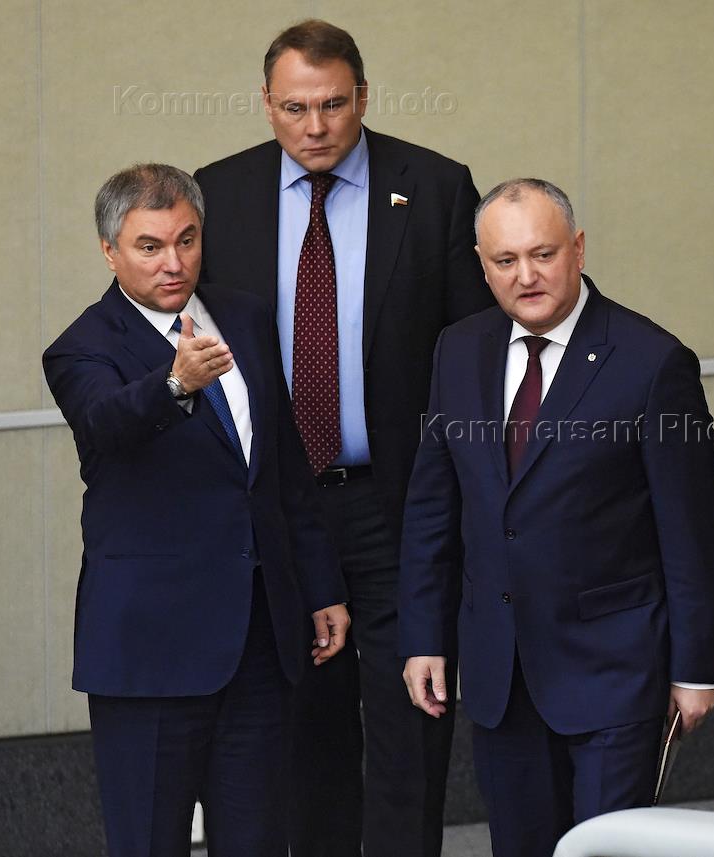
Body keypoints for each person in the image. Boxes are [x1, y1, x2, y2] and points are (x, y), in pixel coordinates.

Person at [193, 19, 494, 857]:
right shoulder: (219, 195)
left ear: (363, 96)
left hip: (400, 504)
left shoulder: (434, 187)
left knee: (411, 721)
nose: (315, 127)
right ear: (266, 104)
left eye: (332, 105)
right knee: (307, 728)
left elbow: (475, 351)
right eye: (295, 108)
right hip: (284, 510)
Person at [400, 178, 714, 857]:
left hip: (614, 671)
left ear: (577, 249)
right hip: (501, 670)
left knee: (607, 850)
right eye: (505, 260)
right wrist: (424, 635)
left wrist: (696, 667)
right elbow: (434, 504)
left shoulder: (651, 361)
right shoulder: (458, 349)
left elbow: (693, 530)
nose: (526, 276)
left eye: (543, 254)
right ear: (482, 265)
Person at [43, 163, 350, 857]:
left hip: (257, 643)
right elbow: (105, 423)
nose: (174, 262)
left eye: (186, 240)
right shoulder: (83, 346)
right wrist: (175, 383)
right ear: (110, 251)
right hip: (151, 651)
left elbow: (281, 469)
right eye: (150, 246)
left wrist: (321, 586)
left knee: (259, 838)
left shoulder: (243, 316)